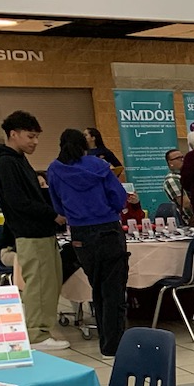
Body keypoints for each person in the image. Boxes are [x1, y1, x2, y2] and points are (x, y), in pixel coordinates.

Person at [46, 127, 131, 359]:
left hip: (81, 234)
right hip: (108, 229)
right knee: (114, 289)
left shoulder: (54, 169)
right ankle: (113, 346)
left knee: (98, 288)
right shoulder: (99, 166)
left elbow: (57, 205)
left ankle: (106, 342)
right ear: (84, 146)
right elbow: (118, 196)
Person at [0, 110, 68, 351]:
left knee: (51, 282)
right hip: (29, 232)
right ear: (13, 134)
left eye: (36, 137)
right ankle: (36, 335)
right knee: (39, 284)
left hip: (41, 231)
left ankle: (44, 327)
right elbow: (18, 201)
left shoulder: (18, 159)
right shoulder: (5, 162)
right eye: (30, 136)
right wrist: (52, 214)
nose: (34, 142)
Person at [162, 148, 190, 222]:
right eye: (178, 158)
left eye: (182, 157)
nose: (182, 160)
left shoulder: (186, 175)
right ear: (170, 162)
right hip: (192, 221)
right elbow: (185, 204)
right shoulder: (172, 179)